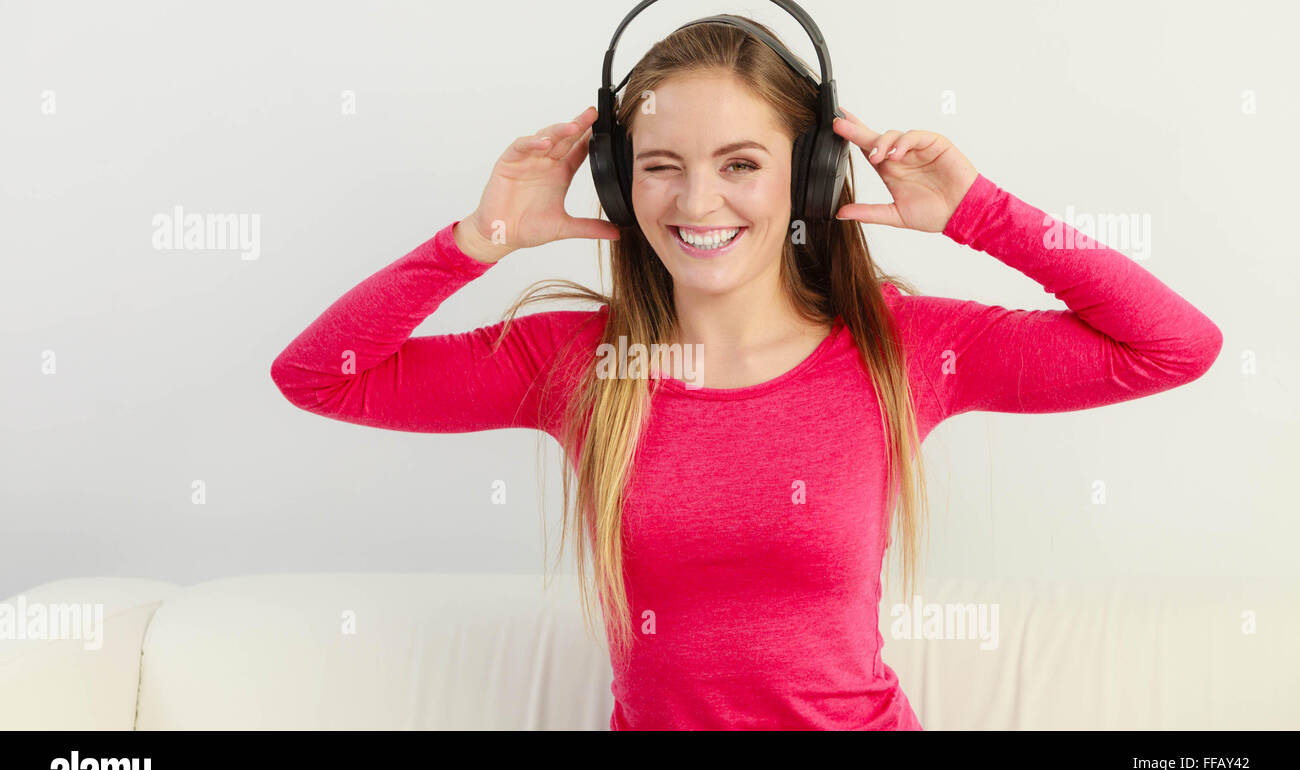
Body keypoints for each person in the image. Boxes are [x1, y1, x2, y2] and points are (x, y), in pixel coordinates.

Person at [270, 18, 1223, 730]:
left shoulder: (901, 349)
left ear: (808, 179)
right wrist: (479, 241)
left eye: (741, 163)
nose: (697, 200)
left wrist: (982, 213)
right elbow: (320, 376)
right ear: (617, 180)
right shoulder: (576, 362)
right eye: (660, 165)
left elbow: (1174, 346)